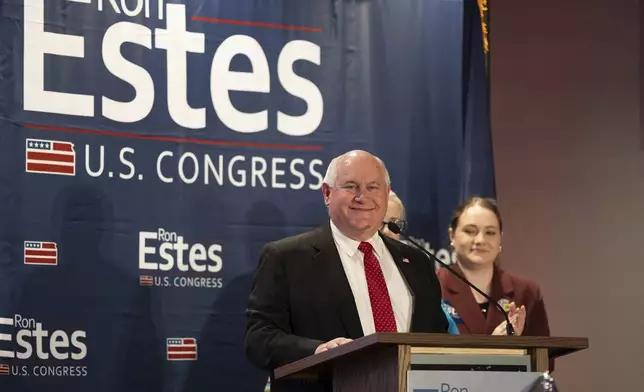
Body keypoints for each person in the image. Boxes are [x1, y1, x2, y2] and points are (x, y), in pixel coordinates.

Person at [245, 150, 448, 391]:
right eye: (351, 186)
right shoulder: (287, 258)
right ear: (327, 193)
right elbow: (259, 339)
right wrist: (318, 351)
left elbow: (437, 340)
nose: (362, 197)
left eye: (373, 187)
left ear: (386, 193)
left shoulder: (417, 262)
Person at [437, 197, 550, 338]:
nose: (480, 240)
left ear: (500, 239)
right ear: (452, 235)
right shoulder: (433, 285)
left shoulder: (527, 292)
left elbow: (543, 356)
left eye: (490, 233)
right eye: (470, 231)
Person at [380, 190, 459, 335]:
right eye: (380, 222)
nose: (386, 231)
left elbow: (442, 328)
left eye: (394, 224)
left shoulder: (418, 266)